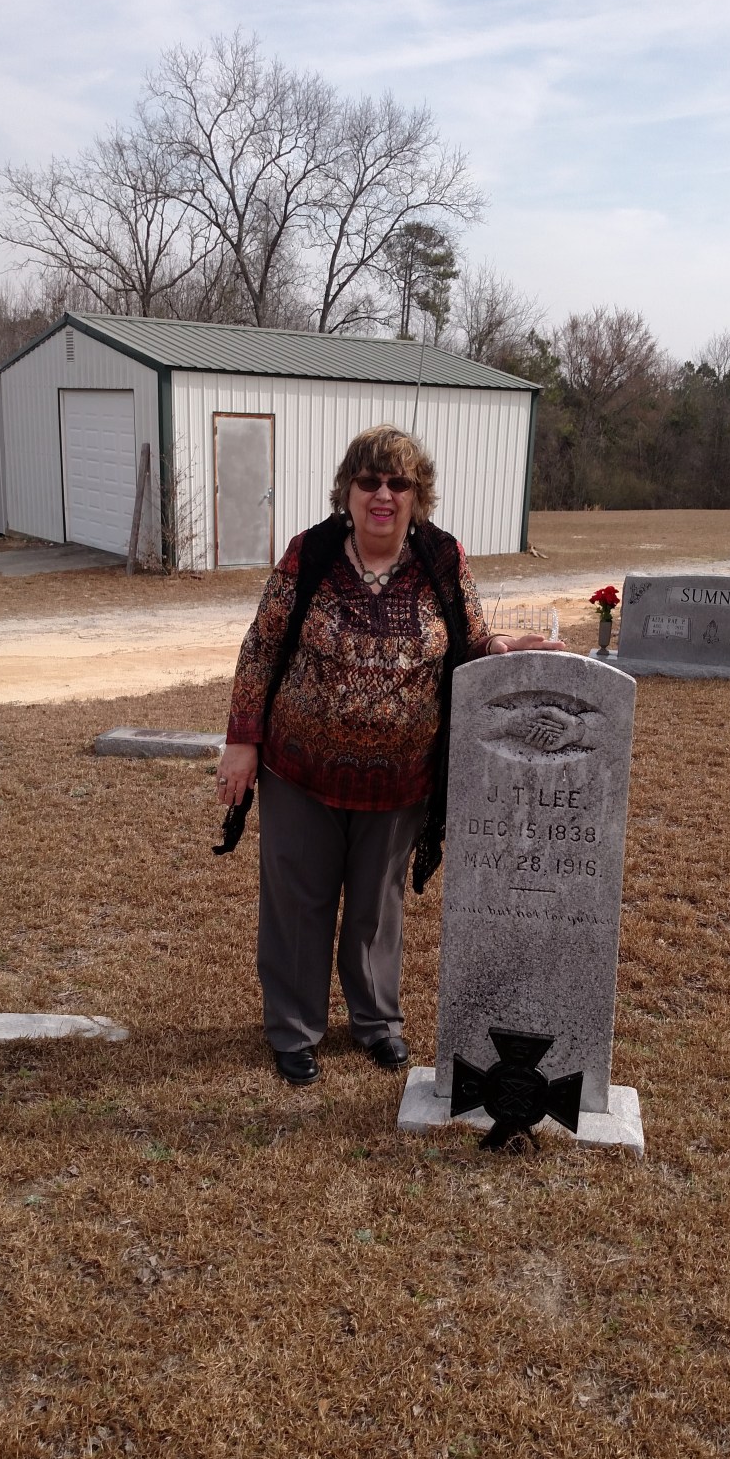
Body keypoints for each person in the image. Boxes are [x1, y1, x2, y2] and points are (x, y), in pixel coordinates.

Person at [215, 424, 563, 1086]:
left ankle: (376, 1023)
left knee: (378, 907)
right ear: (346, 491)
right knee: (298, 902)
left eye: (397, 482)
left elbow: (470, 641)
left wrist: (508, 649)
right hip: (301, 770)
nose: (382, 493)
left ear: (415, 494)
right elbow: (261, 648)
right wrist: (241, 740)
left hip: (401, 780)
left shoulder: (442, 557)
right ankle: (294, 1030)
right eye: (368, 481)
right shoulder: (310, 554)